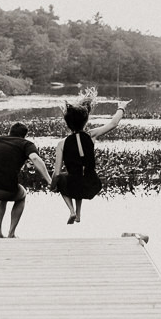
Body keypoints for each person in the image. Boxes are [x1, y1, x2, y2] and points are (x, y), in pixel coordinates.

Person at [52, 89, 131, 224]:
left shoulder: (62, 144)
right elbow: (113, 123)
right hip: (92, 184)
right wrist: (121, 108)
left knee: (63, 180)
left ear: (68, 124)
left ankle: (71, 211)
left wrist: (52, 185)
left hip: (74, 183)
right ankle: (78, 214)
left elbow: (57, 173)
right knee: (79, 177)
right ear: (85, 121)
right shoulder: (91, 135)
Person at [0, 122, 53, 238]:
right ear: (24, 136)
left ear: (10, 132)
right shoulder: (26, 144)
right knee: (22, 195)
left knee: (1, 198)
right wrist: (50, 181)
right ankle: (11, 233)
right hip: (6, 189)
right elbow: (34, 157)